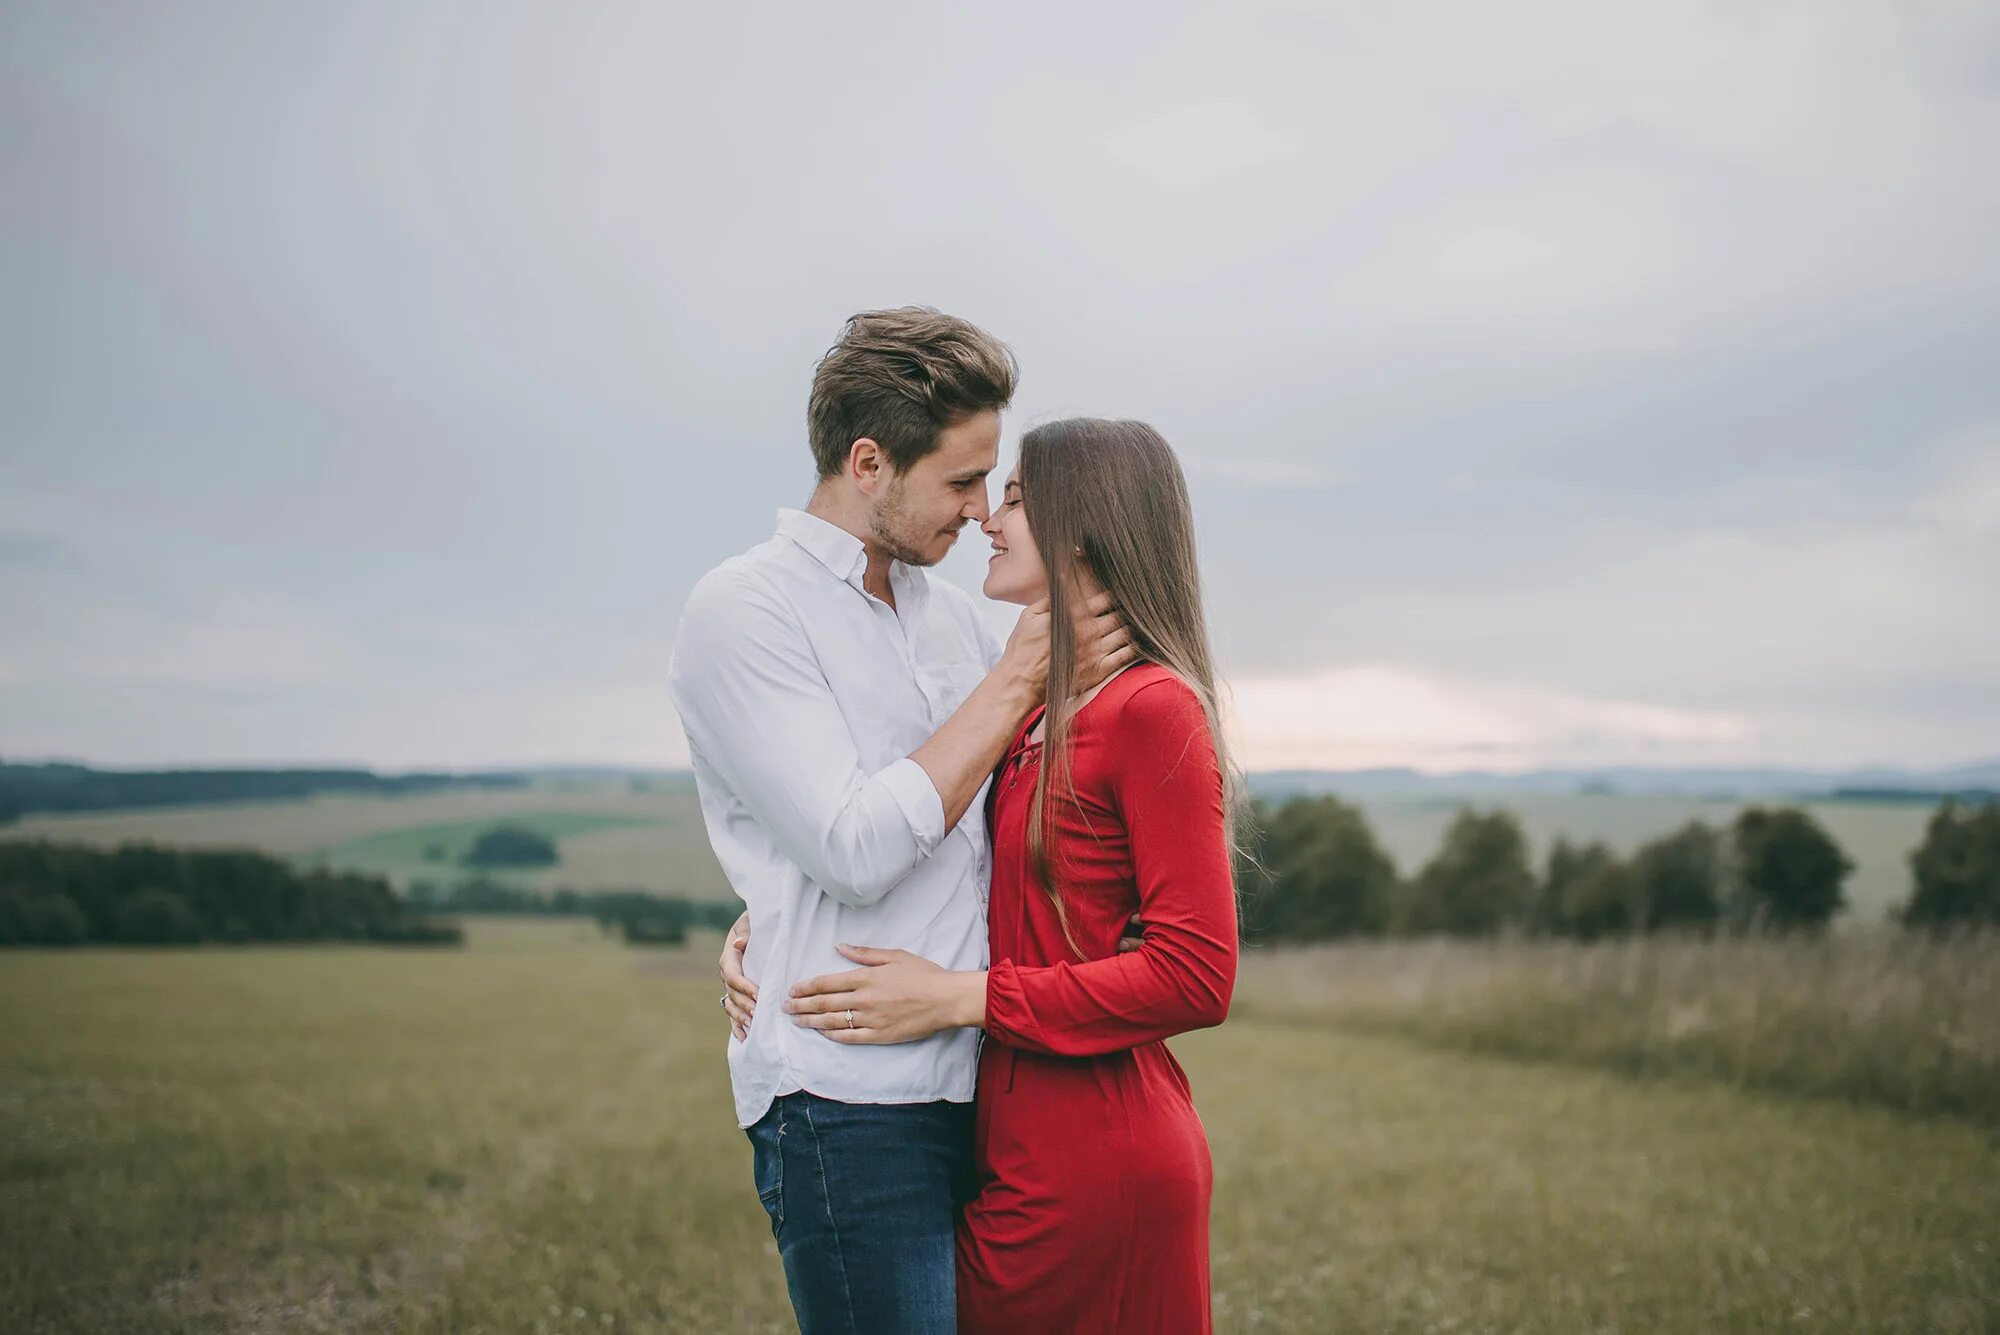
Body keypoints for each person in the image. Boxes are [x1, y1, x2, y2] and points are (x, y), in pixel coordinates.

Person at [668, 308, 1134, 1335]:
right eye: (962, 481)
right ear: (868, 461)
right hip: (846, 1104)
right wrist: (1017, 677)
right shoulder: (745, 609)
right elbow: (853, 849)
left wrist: (765, 923)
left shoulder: (960, 621)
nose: (980, 512)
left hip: (994, 1083)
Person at [746, 417, 1242, 1332]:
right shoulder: (1027, 714)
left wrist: (960, 998)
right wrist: (763, 931)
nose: (988, 517)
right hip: (1008, 1141)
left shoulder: (1153, 709)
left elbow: (1197, 973)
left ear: (1083, 527)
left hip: (1101, 1151)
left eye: (1013, 497)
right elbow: (929, 850)